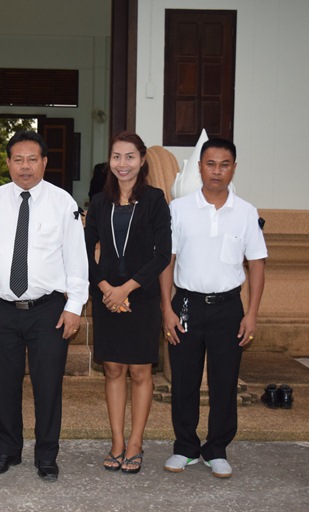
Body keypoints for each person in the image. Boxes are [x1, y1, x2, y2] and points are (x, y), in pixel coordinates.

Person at [0, 130, 89, 481]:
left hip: (48, 310)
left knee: (48, 385)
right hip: (1, 309)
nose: (25, 166)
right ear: (7, 163)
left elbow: (76, 258)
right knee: (3, 383)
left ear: (44, 162)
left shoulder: (63, 202)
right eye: (18, 159)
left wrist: (74, 306)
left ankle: (47, 454)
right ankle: (8, 449)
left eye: (32, 159)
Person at [160, 138, 267, 478]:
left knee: (225, 381)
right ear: (199, 167)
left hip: (228, 308)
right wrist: (166, 309)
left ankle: (217, 448)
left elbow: (257, 265)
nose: (216, 171)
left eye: (224, 164)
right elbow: (167, 262)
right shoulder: (179, 209)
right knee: (184, 380)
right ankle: (185, 447)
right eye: (210, 164)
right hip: (186, 305)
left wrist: (251, 314)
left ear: (234, 168)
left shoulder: (246, 212)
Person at [84, 131, 171, 474]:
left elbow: (162, 254)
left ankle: (135, 442)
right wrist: (107, 288)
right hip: (107, 297)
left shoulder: (154, 200)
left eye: (130, 157)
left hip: (142, 297)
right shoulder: (99, 202)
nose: (123, 164)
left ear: (142, 159)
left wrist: (127, 289)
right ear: (110, 161)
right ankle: (117, 442)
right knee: (113, 369)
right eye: (117, 157)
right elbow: (83, 252)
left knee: (140, 370)